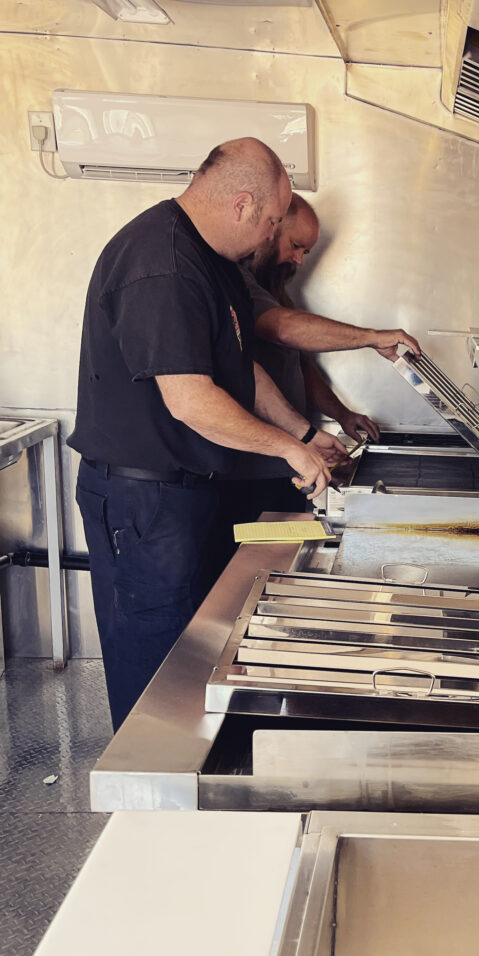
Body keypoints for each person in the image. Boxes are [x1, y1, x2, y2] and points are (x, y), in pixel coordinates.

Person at [69, 138, 347, 731]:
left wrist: (301, 430)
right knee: (157, 675)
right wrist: (288, 449)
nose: (272, 236)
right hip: (145, 504)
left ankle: (194, 785)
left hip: (184, 496)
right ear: (243, 204)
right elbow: (192, 399)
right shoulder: (163, 261)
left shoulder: (211, 261)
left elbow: (239, 367)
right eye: (273, 220)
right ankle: (154, 807)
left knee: (192, 665)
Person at [216, 194, 422, 529]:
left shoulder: (271, 290)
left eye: (305, 252)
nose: (297, 260)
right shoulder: (236, 283)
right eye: (294, 245)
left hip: (289, 462)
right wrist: (371, 337)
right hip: (250, 470)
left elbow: (297, 364)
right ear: (271, 228)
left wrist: (341, 413)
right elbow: (282, 329)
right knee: (252, 564)